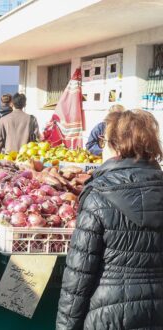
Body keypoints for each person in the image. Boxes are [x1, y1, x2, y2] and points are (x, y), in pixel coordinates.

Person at [56, 109, 163, 329]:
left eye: (104, 140)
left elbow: (78, 277)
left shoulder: (97, 196)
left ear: (116, 146)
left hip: (107, 317)